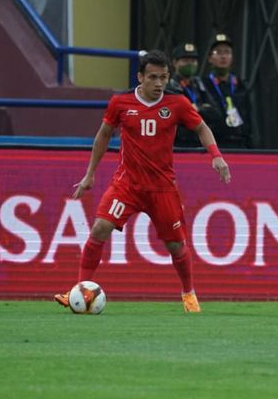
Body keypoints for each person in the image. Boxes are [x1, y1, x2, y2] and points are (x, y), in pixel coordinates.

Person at [54, 49, 231, 313]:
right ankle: (80, 289)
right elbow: (103, 135)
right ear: (140, 77)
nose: (159, 83)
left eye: (163, 77)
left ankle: (188, 293)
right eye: (153, 77)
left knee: (175, 245)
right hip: (127, 185)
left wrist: (216, 155)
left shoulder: (178, 103)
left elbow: (202, 128)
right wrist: (90, 174)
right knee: (100, 228)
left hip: (162, 188)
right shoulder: (120, 102)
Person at [201, 33, 251, 148]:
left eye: (227, 52)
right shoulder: (203, 85)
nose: (223, 56)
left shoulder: (240, 84)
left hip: (240, 143)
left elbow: (249, 117)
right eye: (218, 52)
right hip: (214, 144)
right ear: (209, 58)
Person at [167, 42, 218, 148]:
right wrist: (201, 109)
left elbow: (215, 113)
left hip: (201, 142)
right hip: (179, 144)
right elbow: (178, 117)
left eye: (193, 61)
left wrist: (197, 109)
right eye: (185, 61)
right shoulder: (169, 87)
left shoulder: (200, 85)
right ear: (175, 63)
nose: (190, 64)